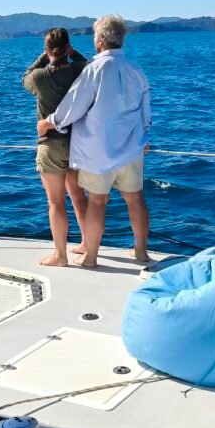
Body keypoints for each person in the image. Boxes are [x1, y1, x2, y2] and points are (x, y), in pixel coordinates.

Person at [36, 15, 151, 268]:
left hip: (99, 151)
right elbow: (145, 110)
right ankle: (141, 252)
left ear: (100, 39)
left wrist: (48, 123)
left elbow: (73, 107)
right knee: (136, 199)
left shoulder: (94, 69)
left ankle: (91, 258)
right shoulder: (136, 69)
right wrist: (145, 135)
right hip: (132, 149)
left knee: (98, 202)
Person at [23, 27, 88, 266]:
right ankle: (87, 244)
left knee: (56, 202)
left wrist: (43, 57)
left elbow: (25, 78)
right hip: (77, 143)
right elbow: (91, 65)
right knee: (79, 197)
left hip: (51, 145)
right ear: (67, 47)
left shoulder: (40, 77)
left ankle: (60, 256)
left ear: (48, 49)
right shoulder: (78, 70)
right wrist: (75, 53)